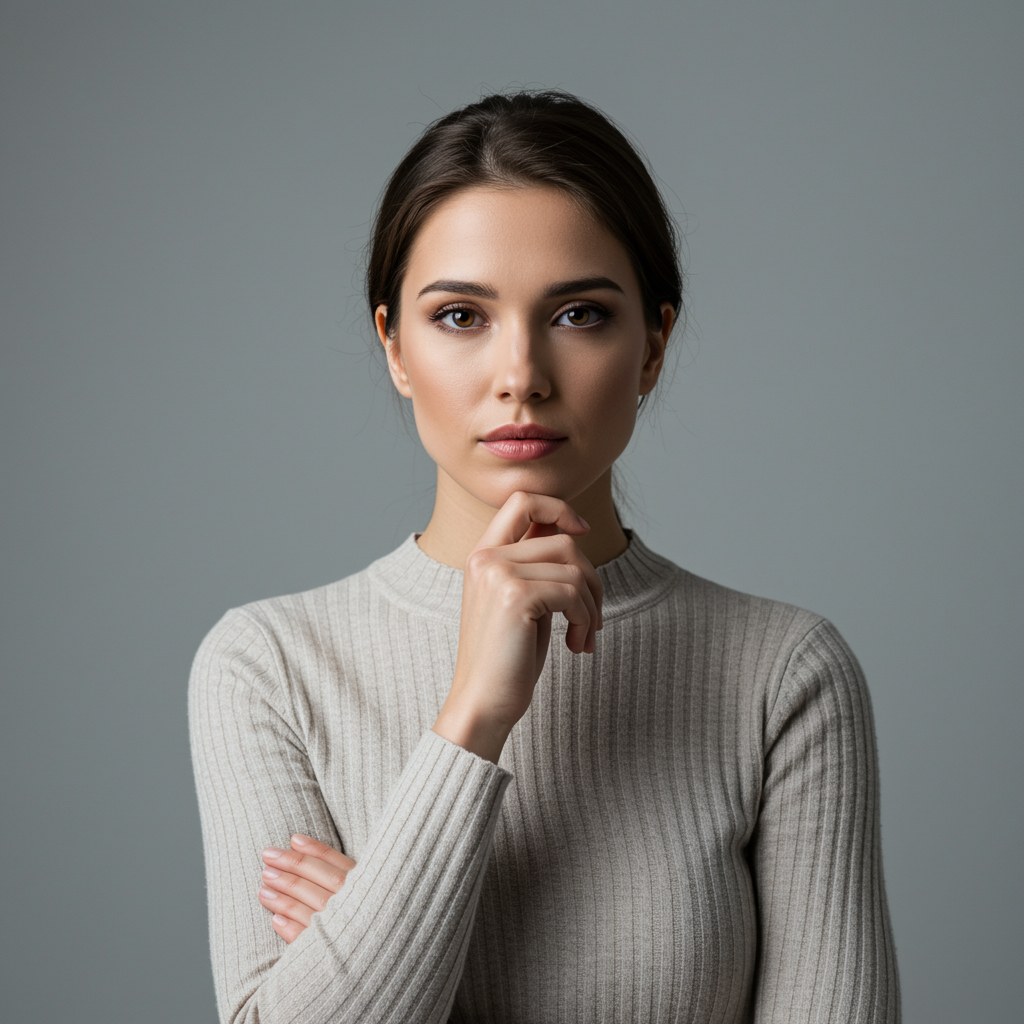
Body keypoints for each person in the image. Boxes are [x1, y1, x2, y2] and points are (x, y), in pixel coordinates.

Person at [189, 90, 900, 1024]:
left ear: (652, 347)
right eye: (459, 316)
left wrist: (373, 937)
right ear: (393, 347)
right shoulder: (269, 666)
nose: (520, 372)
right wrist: (472, 717)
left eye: (577, 315)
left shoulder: (783, 674)